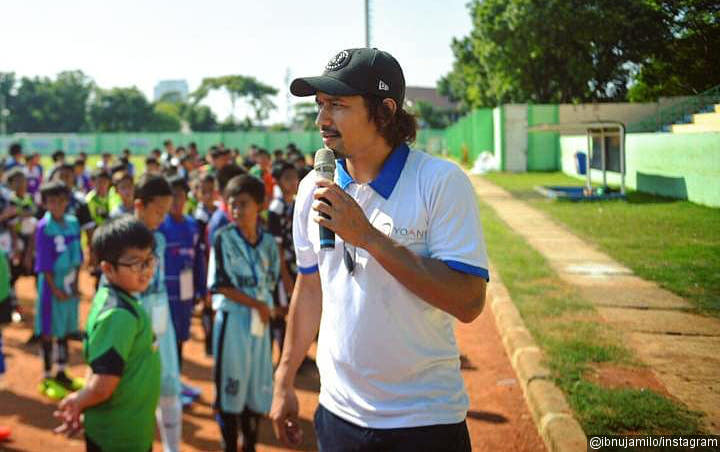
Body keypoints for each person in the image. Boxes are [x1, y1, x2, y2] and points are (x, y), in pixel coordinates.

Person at [270, 48, 488, 451]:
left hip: (425, 421)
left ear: (385, 110)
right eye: (319, 106)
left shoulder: (439, 182)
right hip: (338, 415)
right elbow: (311, 289)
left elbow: (469, 301)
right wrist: (284, 378)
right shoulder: (310, 190)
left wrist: (368, 237)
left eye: (338, 105)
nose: (322, 120)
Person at [54, 216, 161, 452]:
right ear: (108, 268)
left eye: (149, 260)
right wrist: (79, 402)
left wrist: (83, 400)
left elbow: (100, 361)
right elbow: (103, 385)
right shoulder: (118, 315)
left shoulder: (112, 296)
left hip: (118, 427)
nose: (145, 270)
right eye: (135, 263)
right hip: (120, 436)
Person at [207, 174, 280, 452]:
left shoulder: (269, 244)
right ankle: (229, 445)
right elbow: (221, 285)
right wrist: (258, 305)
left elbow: (271, 281)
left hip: (259, 325)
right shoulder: (223, 238)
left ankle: (249, 444)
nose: (237, 211)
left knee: (256, 386)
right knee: (230, 388)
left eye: (243, 204)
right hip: (234, 322)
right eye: (232, 205)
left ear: (259, 205)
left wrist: (267, 306)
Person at [134, 174, 182, 452]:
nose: (162, 218)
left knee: (168, 382)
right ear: (139, 205)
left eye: (165, 212)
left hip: (161, 313)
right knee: (137, 387)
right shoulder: (122, 239)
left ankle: (172, 448)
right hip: (135, 317)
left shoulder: (160, 239)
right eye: (158, 212)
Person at [158, 175, 206, 404]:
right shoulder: (159, 226)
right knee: (161, 339)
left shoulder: (192, 225)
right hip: (162, 295)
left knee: (179, 338)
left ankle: (175, 381)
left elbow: (198, 259)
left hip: (184, 293)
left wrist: (200, 288)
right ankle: (163, 385)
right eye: (173, 197)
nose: (177, 201)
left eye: (182, 196)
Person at [34, 181, 84, 400]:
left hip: (69, 283)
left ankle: (62, 372)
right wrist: (55, 289)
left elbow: (78, 256)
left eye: (61, 200)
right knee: (48, 330)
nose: (57, 205)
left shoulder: (73, 223)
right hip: (50, 285)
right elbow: (43, 263)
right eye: (52, 201)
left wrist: (75, 284)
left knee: (64, 328)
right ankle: (47, 376)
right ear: (45, 203)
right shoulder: (43, 227)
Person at [267, 161, 299, 355]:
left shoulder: (294, 203)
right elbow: (276, 246)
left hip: (295, 264)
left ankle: (294, 355)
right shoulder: (276, 209)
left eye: (294, 176)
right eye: (287, 178)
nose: (293, 181)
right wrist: (284, 276)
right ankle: (282, 355)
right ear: (277, 182)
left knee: (294, 310)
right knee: (280, 310)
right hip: (282, 267)